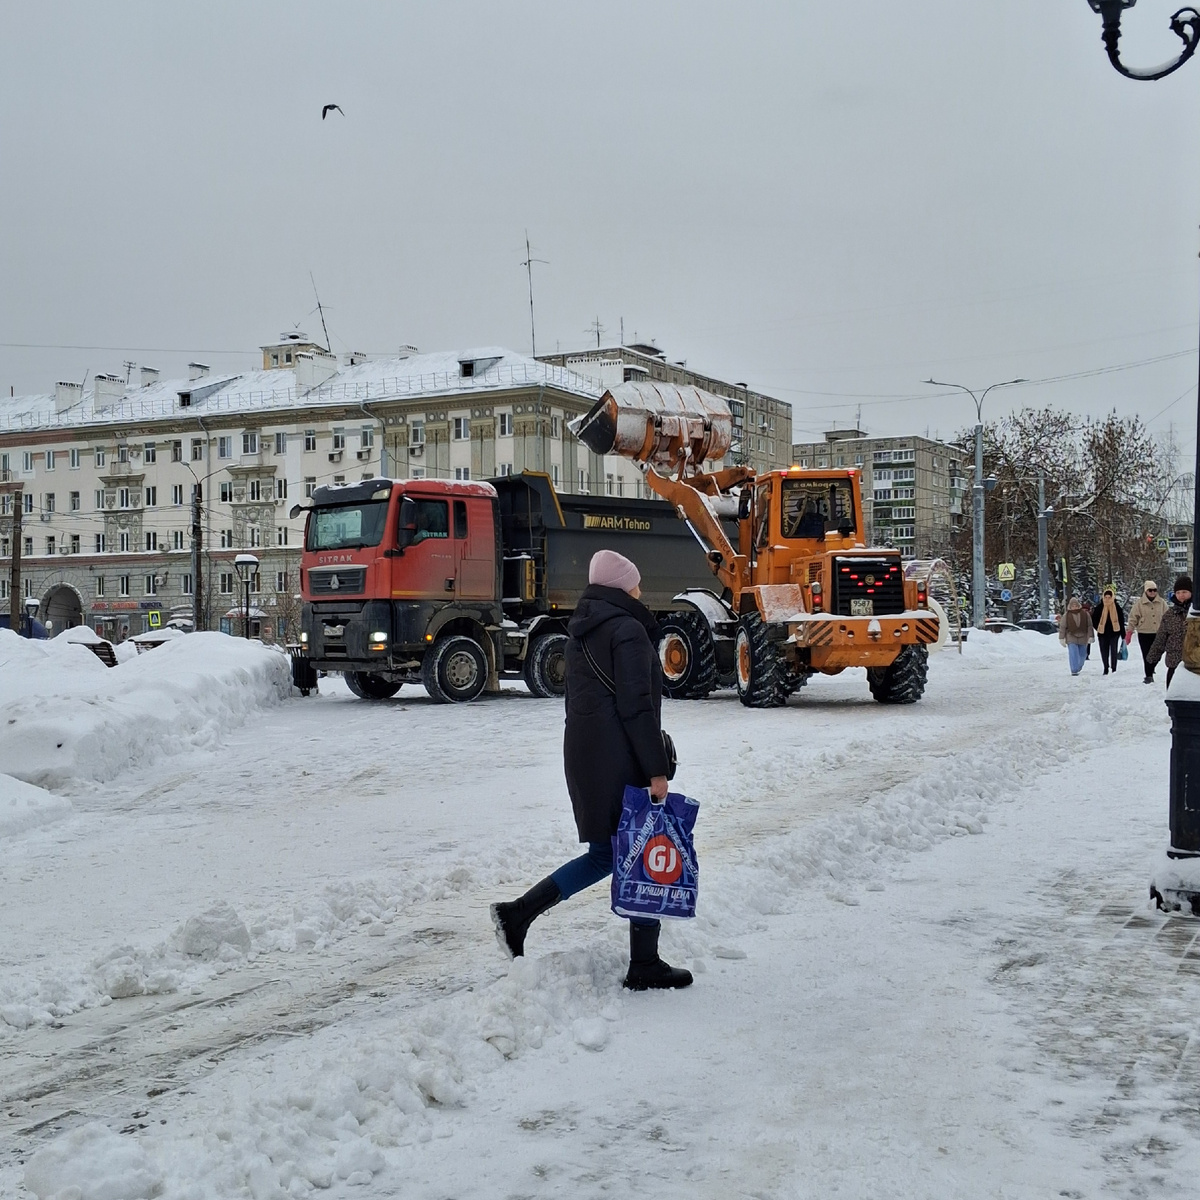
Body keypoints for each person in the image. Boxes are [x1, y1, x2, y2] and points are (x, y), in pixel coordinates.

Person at [491, 549, 692, 991]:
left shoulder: (581, 631)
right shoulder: (629, 631)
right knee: (639, 849)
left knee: (610, 852)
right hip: (619, 756)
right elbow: (637, 709)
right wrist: (656, 770)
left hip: (585, 755)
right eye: (635, 582)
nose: (640, 589)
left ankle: (518, 913)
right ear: (624, 587)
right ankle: (644, 963)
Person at [1147, 574, 1193, 689]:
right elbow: (1161, 638)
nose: (1181, 595)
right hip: (1174, 663)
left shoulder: (1196, 612)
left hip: (1195, 666)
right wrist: (1152, 660)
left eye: (1184, 592)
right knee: (1174, 699)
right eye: (1178, 593)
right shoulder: (1170, 615)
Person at [1127, 580, 1167, 684]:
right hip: (1144, 633)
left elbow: (1168, 617)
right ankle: (1148, 675)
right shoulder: (1139, 604)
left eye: (1155, 590)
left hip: (1158, 633)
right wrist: (1129, 632)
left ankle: (1151, 666)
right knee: (1147, 655)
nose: (1153, 592)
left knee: (1157, 654)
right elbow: (1133, 618)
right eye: (1150, 590)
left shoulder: (1162, 602)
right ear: (1146, 591)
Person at [1091, 586, 1125, 676]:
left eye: (1109, 597)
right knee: (1104, 651)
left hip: (1115, 632)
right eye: (1105, 597)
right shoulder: (1099, 608)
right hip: (1102, 633)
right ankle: (1106, 667)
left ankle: (1114, 668)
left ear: (1113, 597)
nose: (1107, 599)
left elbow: (1121, 621)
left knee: (1114, 650)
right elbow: (1094, 620)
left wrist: (1123, 634)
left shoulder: (1117, 608)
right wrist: (1098, 628)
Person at [1058, 596, 1094, 676]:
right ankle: (1074, 670)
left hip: (1083, 637)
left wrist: (1091, 636)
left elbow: (1089, 625)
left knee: (1083, 655)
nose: (1074, 607)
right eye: (1072, 606)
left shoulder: (1085, 614)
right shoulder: (1066, 615)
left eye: (1076, 605)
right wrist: (1061, 638)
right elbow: (1062, 627)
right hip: (1071, 637)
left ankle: (1079, 666)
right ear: (1070, 606)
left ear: (1078, 605)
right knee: (1073, 653)